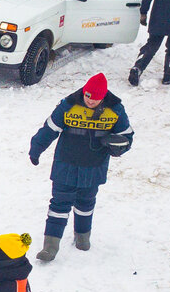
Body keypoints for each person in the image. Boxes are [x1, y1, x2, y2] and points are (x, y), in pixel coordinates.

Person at [28, 73, 134, 262]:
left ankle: (82, 238)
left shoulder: (115, 110)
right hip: (65, 165)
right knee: (59, 205)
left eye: (95, 98)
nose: (90, 101)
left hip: (94, 167)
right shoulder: (68, 106)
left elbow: (127, 136)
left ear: (103, 96)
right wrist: (36, 149)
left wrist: (119, 147)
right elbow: (49, 129)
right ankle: (50, 248)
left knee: (86, 203)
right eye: (87, 96)